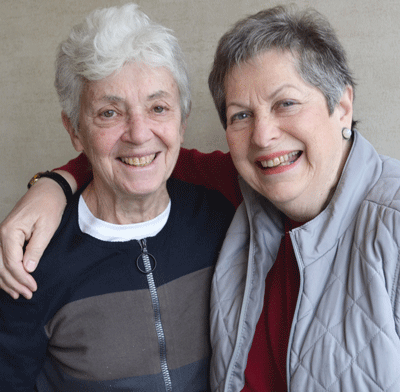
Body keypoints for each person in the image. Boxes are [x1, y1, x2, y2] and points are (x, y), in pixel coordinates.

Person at [2, 4, 400, 392]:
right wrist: (57, 182)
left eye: (286, 103)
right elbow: (135, 160)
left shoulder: (386, 220)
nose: (263, 137)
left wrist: (56, 180)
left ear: (343, 106)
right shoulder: (239, 191)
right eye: (241, 115)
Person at [0, 4, 235, 390]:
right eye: (110, 113)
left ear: (183, 119)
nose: (139, 133)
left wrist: (57, 180)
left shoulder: (223, 216)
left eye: (158, 108)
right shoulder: (30, 261)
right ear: (75, 131)